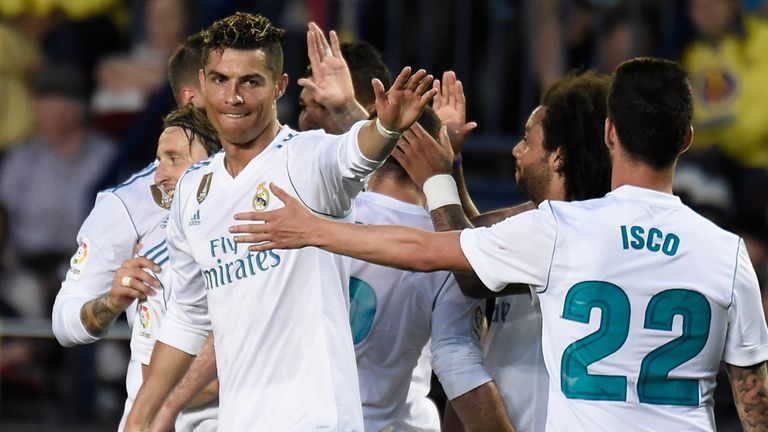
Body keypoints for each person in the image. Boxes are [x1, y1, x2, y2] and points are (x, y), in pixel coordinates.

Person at [233, 57, 768, 431]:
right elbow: (754, 401)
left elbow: (429, 250)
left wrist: (313, 229)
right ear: (686, 140)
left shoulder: (565, 230)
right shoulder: (728, 252)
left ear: (611, 133)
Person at [124, 13, 435, 431]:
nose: (233, 97)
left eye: (250, 81)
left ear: (279, 87)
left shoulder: (307, 158)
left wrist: (385, 127)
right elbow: (187, 317)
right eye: (220, 80)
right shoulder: (194, 190)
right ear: (201, 84)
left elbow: (358, 153)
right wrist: (140, 417)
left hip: (318, 421)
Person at [396, 71, 612, 432]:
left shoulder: (564, 235)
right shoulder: (560, 222)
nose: (516, 150)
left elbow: (468, 266)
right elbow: (478, 234)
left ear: (559, 157)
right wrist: (451, 165)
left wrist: (436, 179)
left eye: (527, 141)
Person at [51, 34, 220, 430]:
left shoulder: (274, 183)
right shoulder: (128, 204)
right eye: (224, 83)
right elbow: (64, 322)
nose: (239, 99)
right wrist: (110, 303)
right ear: (192, 96)